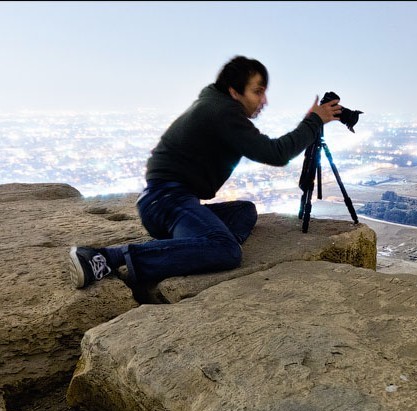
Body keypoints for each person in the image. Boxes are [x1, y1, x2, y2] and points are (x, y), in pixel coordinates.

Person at [68, 55, 341, 295]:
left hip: (168, 202)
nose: (264, 101)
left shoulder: (215, 104)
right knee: (228, 252)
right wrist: (314, 121)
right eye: (258, 92)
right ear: (234, 91)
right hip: (167, 203)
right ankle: (106, 258)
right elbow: (276, 153)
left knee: (245, 211)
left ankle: (195, 248)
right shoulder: (222, 113)